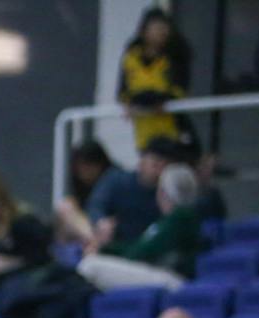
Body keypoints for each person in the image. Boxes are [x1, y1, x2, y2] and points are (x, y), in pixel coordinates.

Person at [76, 163, 202, 291]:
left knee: (90, 266)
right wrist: (104, 248)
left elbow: (141, 253)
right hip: (164, 275)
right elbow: (139, 248)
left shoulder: (180, 218)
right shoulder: (171, 219)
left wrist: (104, 250)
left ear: (163, 192)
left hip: (174, 280)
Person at [119, 7, 192, 152]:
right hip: (144, 129)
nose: (162, 32)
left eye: (165, 28)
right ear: (144, 30)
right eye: (157, 28)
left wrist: (159, 101)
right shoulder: (131, 57)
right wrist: (131, 104)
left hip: (170, 128)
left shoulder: (175, 57)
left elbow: (180, 91)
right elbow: (123, 91)